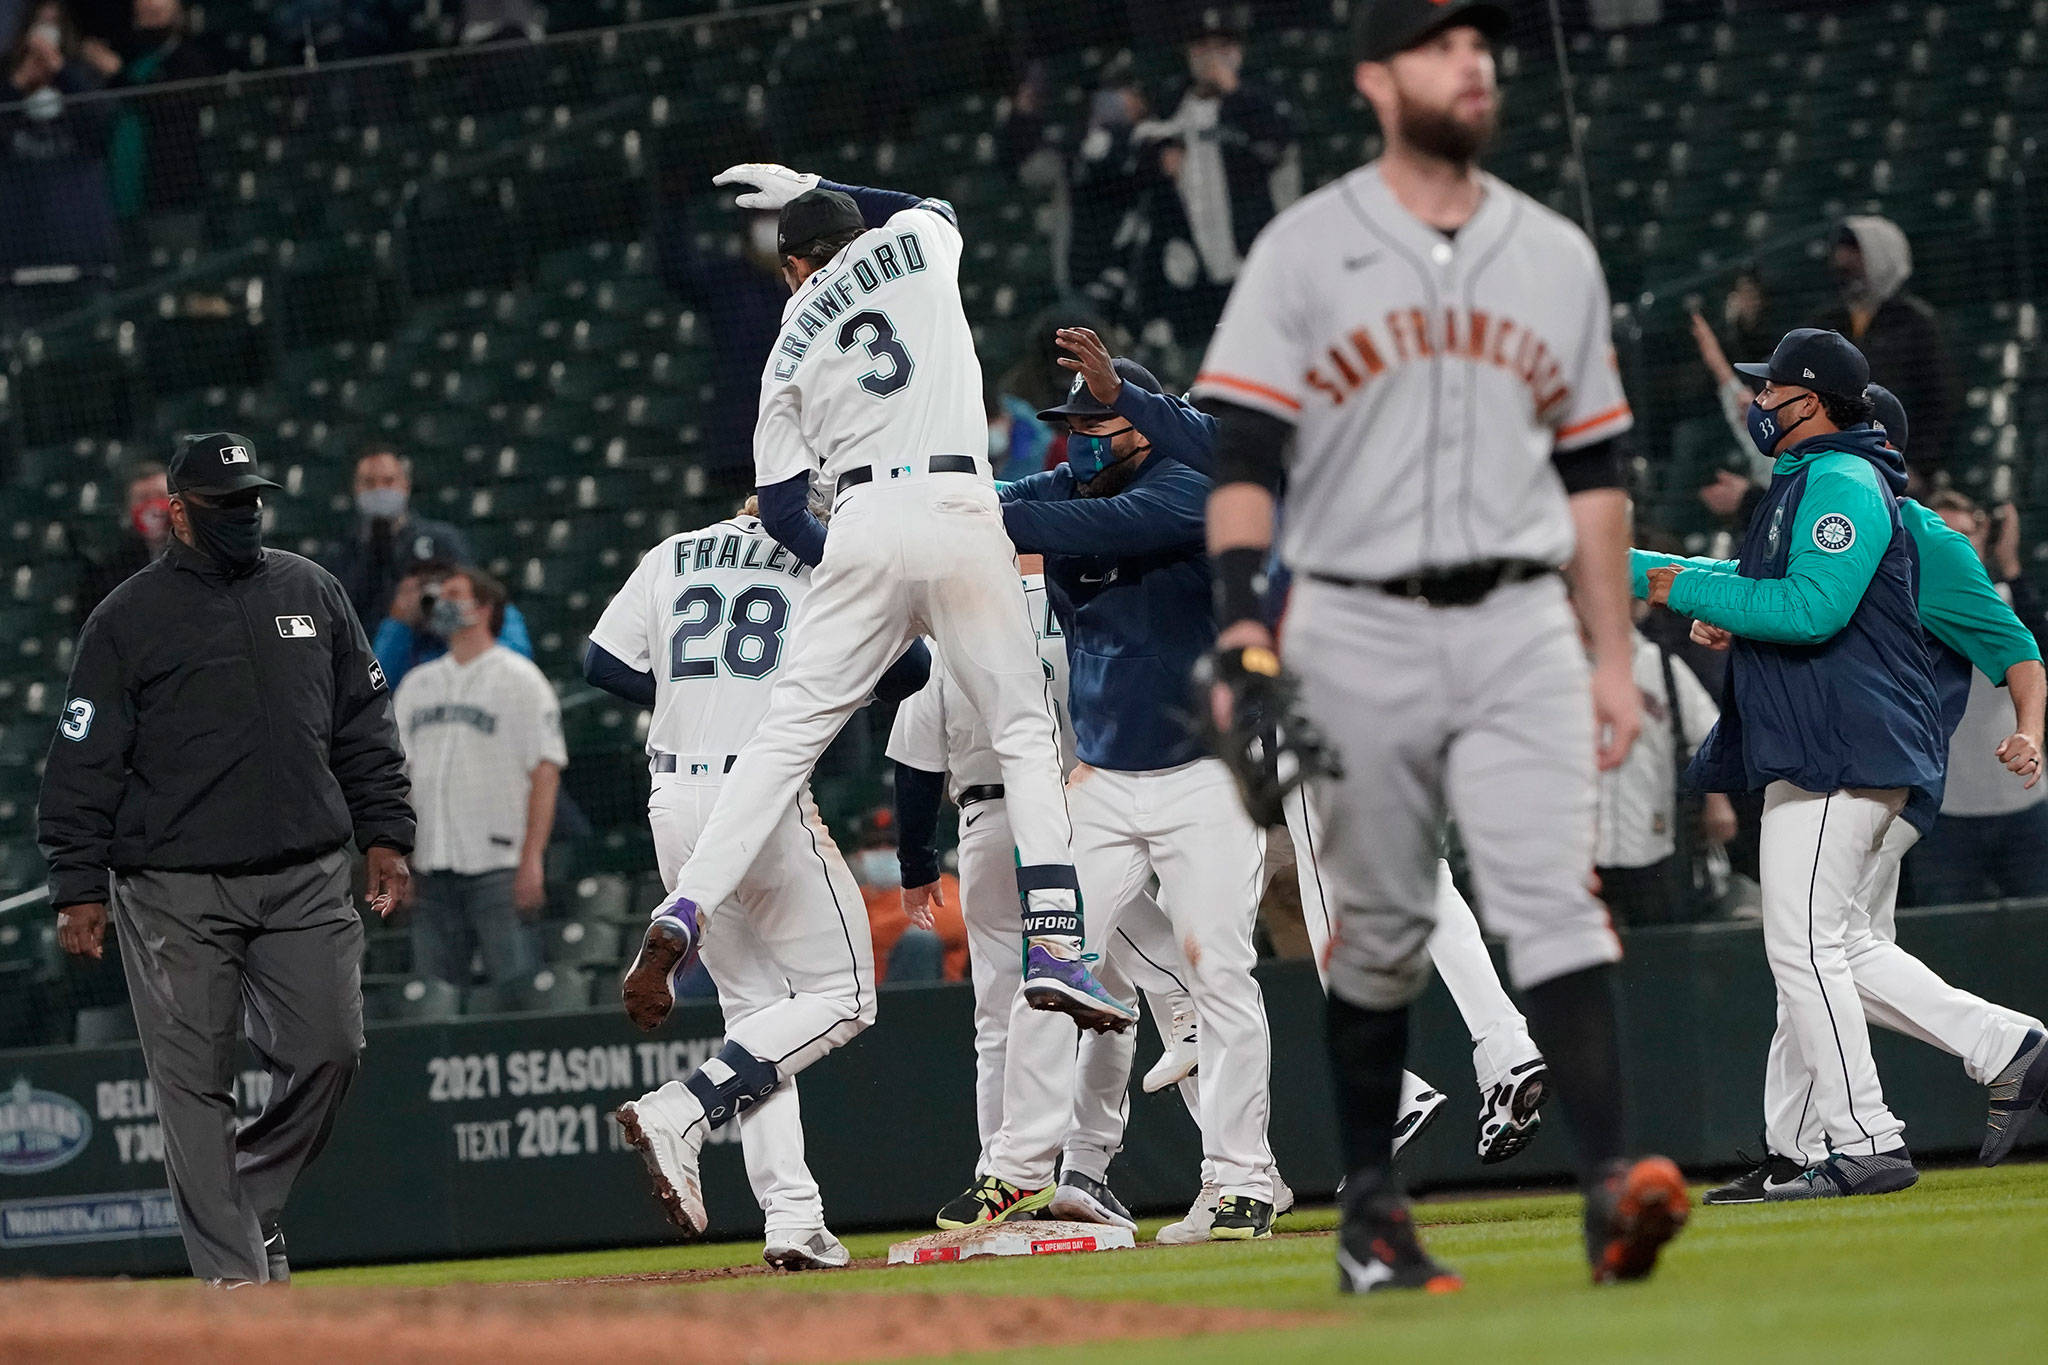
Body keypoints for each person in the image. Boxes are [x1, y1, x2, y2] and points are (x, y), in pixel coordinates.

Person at [1196, 0, 1686, 1291]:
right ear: (1375, 79)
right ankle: (1370, 1209)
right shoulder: (1305, 250)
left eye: (1482, 41)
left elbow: (1595, 469)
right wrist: (1246, 622)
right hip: (1354, 615)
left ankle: (1611, 1186)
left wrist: (1607, 650)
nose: (1472, 60)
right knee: (1387, 928)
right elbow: (1242, 452)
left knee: (1548, 896)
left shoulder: (1555, 255)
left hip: (1524, 613)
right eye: (1440, 41)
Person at [38, 433, 413, 1286]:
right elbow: (81, 758)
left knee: (331, 1047)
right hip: (171, 886)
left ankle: (244, 1196)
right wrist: (76, 881)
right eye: (224, 504)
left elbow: (364, 723)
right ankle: (236, 1287)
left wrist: (386, 832)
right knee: (193, 1088)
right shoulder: (126, 617)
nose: (244, 515)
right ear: (179, 511)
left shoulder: (310, 589)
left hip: (306, 872)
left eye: (251, 500)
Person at [1690, 386, 2048, 1200]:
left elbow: (2016, 647)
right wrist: (1725, 613)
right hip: (1860, 767)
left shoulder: (1921, 536)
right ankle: (1797, 1144)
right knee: (1823, 952)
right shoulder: (1841, 526)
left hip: (1877, 774)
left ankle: (1996, 1050)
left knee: (1821, 949)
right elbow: (1788, 610)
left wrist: (2031, 729)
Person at [1635, 332, 1947, 1203]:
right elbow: (1764, 584)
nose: (1757, 402)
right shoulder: (1812, 479)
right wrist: (1655, 575)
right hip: (1825, 742)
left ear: (1811, 400)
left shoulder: (1843, 481)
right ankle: (1825, 1139)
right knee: (1809, 950)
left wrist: (1677, 588)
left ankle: (1866, 1136)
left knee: (1810, 948)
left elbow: (1811, 609)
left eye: (1770, 388)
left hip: (1843, 746)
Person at [586, 499, 924, 1268]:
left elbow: (600, 663)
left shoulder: (675, 549)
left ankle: (793, 1217)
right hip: (760, 791)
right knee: (846, 994)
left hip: (672, 798)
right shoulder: (831, 558)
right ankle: (682, 1108)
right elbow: (914, 670)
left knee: (759, 1022)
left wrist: (685, 695)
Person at [391, 565, 563, 990]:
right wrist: (403, 857)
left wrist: (531, 860)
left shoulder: (520, 679)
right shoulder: (416, 684)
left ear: (485, 607)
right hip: (431, 867)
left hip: (499, 868)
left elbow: (545, 773)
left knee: (515, 990)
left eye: (454, 593)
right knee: (435, 993)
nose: (441, 602)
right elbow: (400, 780)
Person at [1127, 11, 1297, 346]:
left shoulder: (1257, 99)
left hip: (1247, 257)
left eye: (1221, 46)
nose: (1211, 57)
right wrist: (1160, 159)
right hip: (1191, 268)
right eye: (1201, 47)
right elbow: (1134, 160)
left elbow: (1279, 139)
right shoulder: (1171, 103)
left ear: (1238, 52)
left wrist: (1232, 89)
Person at [1909, 494, 2048, 903]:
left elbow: (2037, 654)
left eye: (1965, 535)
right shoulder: (1910, 609)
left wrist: (2012, 568)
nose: (1955, 545)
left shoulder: (2010, 601)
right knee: (1949, 942)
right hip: (1944, 811)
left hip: (2024, 802)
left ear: (1983, 537)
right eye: (1943, 534)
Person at [1595, 607, 1736, 926]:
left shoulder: (1659, 664)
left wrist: (1718, 803)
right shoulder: (1560, 665)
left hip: (1649, 831)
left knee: (1657, 938)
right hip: (1577, 840)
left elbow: (1708, 734)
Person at [1814, 217, 1953, 483]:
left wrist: (1920, 468)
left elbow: (1940, 401)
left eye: (1856, 253)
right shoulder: (1825, 322)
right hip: (1833, 466)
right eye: (1842, 253)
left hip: (1899, 469)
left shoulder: (1916, 323)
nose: (1843, 261)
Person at [1, 2, 117, 312]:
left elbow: (103, 130)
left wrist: (62, 73)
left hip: (81, 256)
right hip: (16, 260)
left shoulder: (84, 78)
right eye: (40, 22)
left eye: (54, 23)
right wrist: (17, 85)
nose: (45, 32)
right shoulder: (4, 81)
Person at [322, 446, 475, 627]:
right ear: (356, 489)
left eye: (388, 481)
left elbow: (467, 598)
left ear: (405, 485)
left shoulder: (441, 541)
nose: (379, 490)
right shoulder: (340, 553)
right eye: (369, 483)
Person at [372, 556, 533, 690]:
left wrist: (466, 628)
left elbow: (515, 664)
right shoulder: (405, 628)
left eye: (450, 590)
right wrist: (400, 623)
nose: (441, 599)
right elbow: (376, 684)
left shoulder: (490, 607)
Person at [75, 460, 170, 623]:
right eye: (143, 499)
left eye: (161, 496)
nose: (153, 507)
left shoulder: (203, 554)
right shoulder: (109, 569)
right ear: (128, 509)